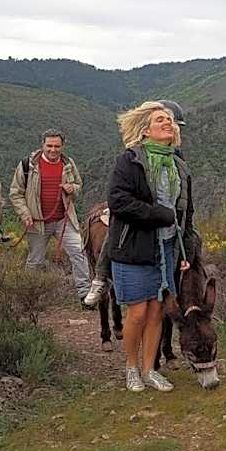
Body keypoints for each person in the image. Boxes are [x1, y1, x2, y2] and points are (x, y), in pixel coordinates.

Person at [106, 101, 194, 392]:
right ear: (145, 131)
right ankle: (131, 368)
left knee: (158, 311)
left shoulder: (178, 165)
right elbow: (118, 202)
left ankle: (149, 369)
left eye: (169, 119)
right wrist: (158, 215)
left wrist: (185, 251)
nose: (168, 123)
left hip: (167, 247)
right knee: (138, 312)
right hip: (133, 246)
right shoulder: (130, 161)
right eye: (160, 120)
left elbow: (185, 213)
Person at [82, 99, 187, 307]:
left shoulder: (176, 156)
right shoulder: (134, 156)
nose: (172, 127)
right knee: (113, 230)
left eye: (174, 124)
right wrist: (157, 213)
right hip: (142, 211)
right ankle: (101, 277)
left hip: (168, 225)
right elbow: (122, 196)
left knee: (195, 238)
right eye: (165, 121)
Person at [8, 128, 91, 301]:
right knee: (35, 261)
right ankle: (29, 297)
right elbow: (15, 193)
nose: (53, 150)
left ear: (63, 146)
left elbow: (78, 185)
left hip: (64, 219)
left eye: (57, 146)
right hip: (38, 223)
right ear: (42, 145)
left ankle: (85, 294)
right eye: (49, 146)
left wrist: (72, 189)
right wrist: (25, 213)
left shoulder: (68, 164)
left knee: (79, 252)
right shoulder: (28, 165)